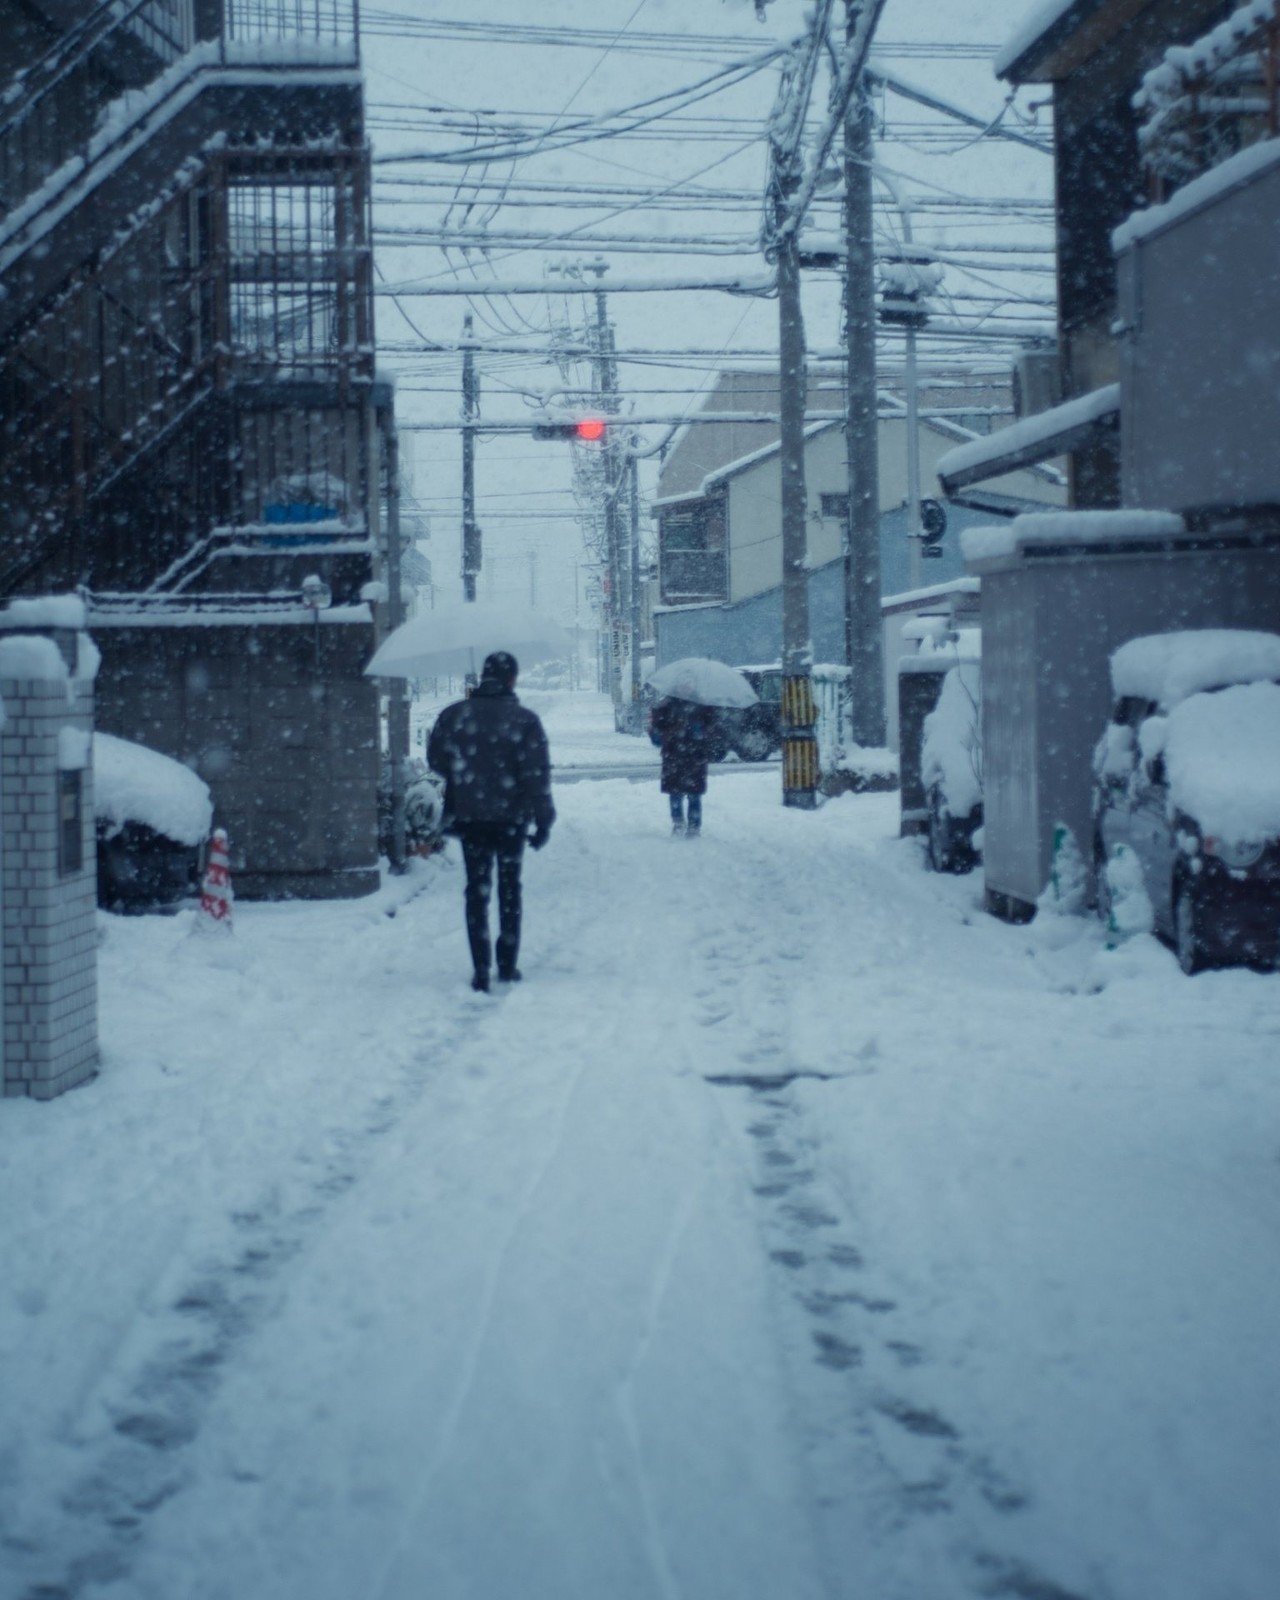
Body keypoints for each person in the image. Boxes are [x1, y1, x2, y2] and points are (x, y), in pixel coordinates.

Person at [428, 651, 554, 992]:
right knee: (510, 889)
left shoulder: (454, 715)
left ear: (484, 677)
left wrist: (467, 776)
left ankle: (481, 968)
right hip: (512, 819)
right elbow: (536, 776)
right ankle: (507, 963)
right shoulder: (525, 721)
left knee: (476, 891)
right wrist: (543, 821)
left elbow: (437, 761)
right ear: (512, 679)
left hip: (470, 818)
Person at [648, 695, 713, 836]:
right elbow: (656, 737)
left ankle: (694, 826)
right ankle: (678, 823)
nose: (686, 687)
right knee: (675, 794)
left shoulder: (702, 706)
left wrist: (700, 732)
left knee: (694, 794)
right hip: (674, 757)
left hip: (695, 757)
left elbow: (712, 729)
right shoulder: (665, 706)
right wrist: (662, 729)